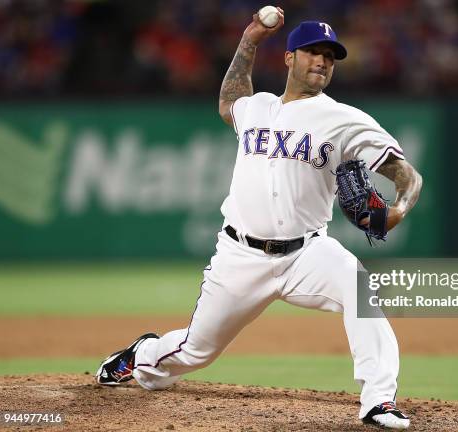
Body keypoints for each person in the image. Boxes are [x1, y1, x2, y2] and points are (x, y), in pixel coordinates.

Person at [96, 9, 422, 430]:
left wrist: (398, 210)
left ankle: (379, 401)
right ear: (289, 58)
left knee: (360, 289)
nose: (322, 61)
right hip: (240, 256)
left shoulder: (345, 120)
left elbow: (408, 176)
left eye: (330, 56)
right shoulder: (258, 108)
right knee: (196, 351)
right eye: (312, 52)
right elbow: (228, 100)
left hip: (307, 253)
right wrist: (249, 39)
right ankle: (140, 356)